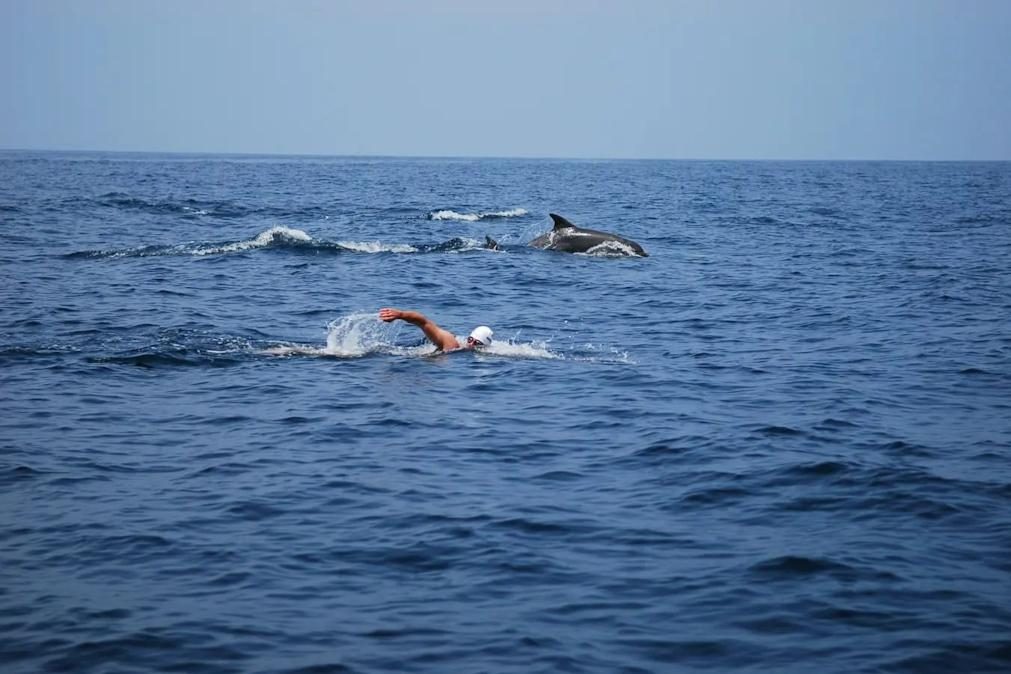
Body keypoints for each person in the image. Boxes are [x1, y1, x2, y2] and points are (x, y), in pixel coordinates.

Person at [378, 307, 493, 352]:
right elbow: (424, 322)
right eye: (470, 339)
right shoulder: (451, 342)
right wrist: (401, 314)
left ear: (485, 346)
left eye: (477, 343)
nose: (471, 344)